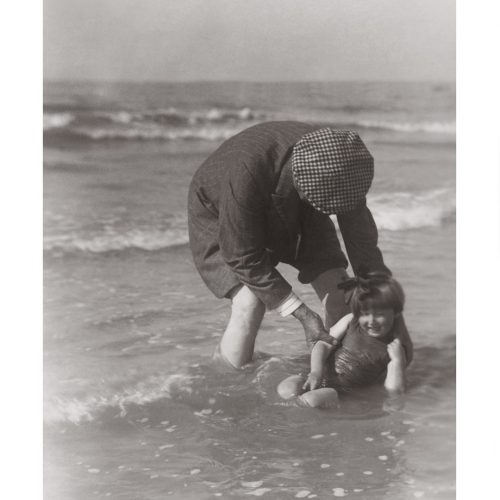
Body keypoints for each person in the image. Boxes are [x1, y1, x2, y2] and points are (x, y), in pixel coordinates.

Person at [187, 121, 412, 369]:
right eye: (323, 204)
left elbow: (363, 244)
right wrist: (304, 315)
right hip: (219, 211)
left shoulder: (343, 166)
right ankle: (228, 385)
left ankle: (340, 370)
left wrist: (391, 311)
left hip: (299, 206)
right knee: (249, 304)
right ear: (301, 181)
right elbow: (243, 257)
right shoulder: (245, 173)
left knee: (340, 292)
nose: (328, 210)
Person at [277, 272, 410, 408]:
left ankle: (294, 418)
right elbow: (322, 344)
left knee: (310, 400)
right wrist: (316, 371)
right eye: (365, 314)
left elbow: (394, 391)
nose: (371, 321)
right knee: (286, 389)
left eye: (380, 315)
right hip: (315, 376)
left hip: (340, 392)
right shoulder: (351, 320)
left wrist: (397, 361)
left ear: (396, 313)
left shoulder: (394, 347)